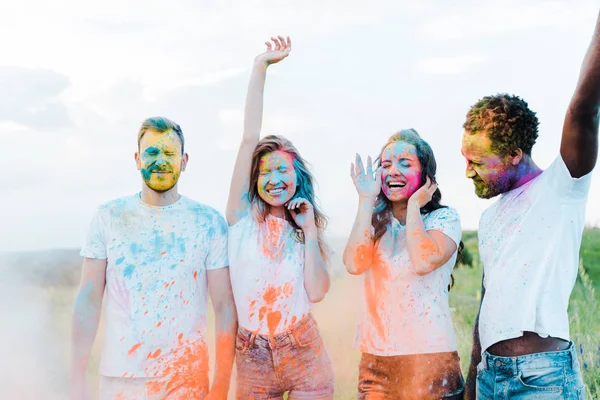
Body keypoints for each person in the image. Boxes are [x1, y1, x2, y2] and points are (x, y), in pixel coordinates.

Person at [462, 10, 600, 399]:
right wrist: (473, 380)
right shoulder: (490, 218)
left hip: (542, 380)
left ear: (513, 155)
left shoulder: (562, 188)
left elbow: (583, 109)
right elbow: (487, 303)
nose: (467, 171)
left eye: (477, 162)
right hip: (490, 377)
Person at [70, 117, 237, 400]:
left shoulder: (209, 222)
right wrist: (76, 375)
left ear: (184, 161)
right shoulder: (108, 216)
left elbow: (224, 308)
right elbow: (88, 299)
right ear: (137, 159)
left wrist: (220, 385)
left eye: (170, 153)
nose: (160, 160)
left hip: (186, 379)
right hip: (121, 381)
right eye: (151, 152)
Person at [226, 36, 335, 400]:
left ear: (297, 175)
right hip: (253, 356)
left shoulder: (304, 226)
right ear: (254, 181)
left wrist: (308, 232)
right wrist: (260, 67)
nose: (274, 180)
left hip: (304, 349)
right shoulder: (241, 219)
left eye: (282, 170)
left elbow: (317, 292)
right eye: (265, 172)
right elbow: (248, 138)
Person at [344, 129, 465, 399]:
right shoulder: (374, 220)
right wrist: (365, 201)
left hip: (432, 360)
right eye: (386, 165)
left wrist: (413, 207)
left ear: (426, 176)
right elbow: (353, 263)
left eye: (405, 164)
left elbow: (422, 261)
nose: (392, 171)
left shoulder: (444, 219)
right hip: (377, 363)